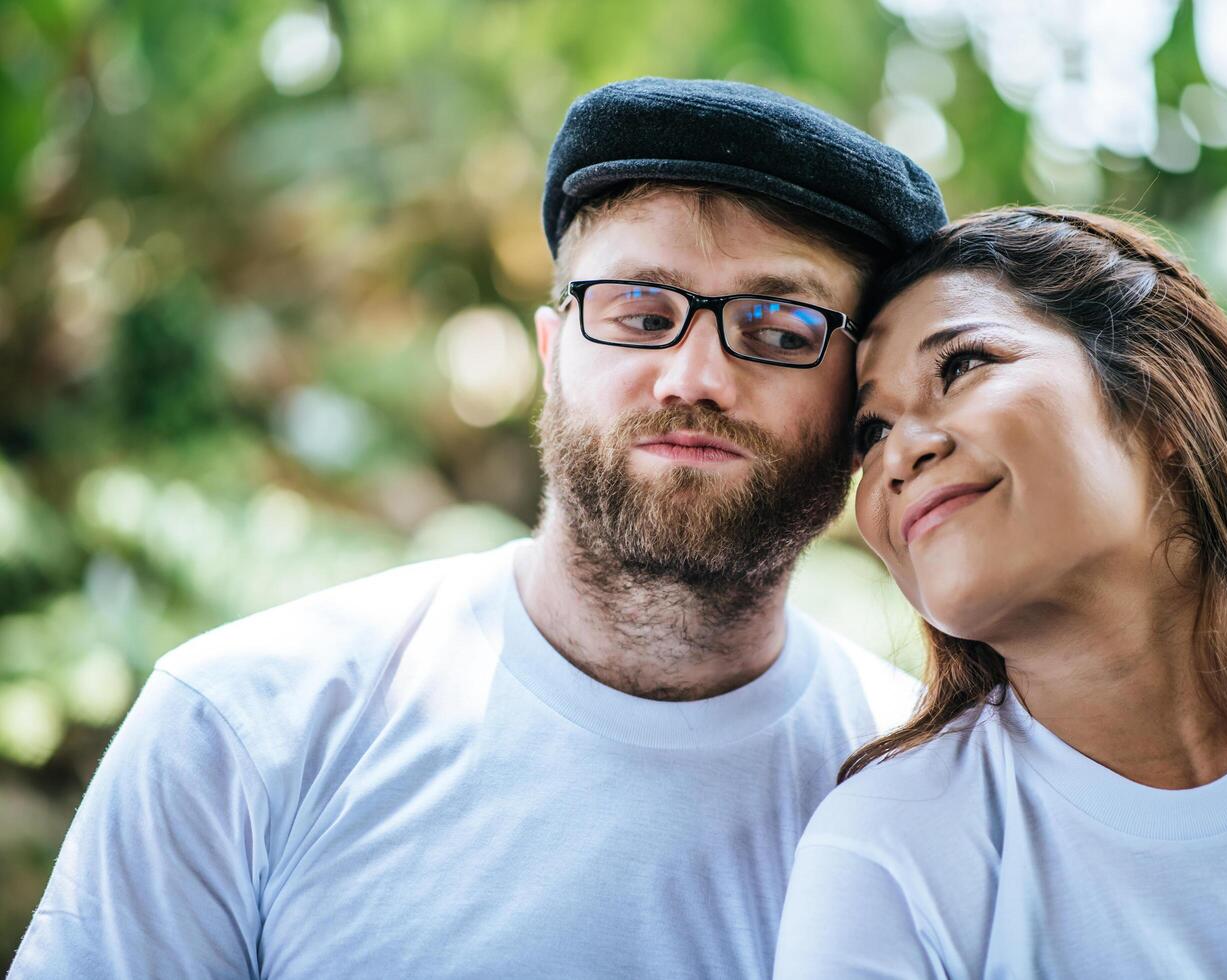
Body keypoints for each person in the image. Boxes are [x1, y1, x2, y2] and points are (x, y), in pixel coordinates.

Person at [12, 78, 942, 979]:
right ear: (552, 355)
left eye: (780, 328)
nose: (692, 377)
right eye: (641, 313)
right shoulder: (248, 725)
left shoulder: (933, 789)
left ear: (863, 399)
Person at [772, 206, 1227, 979]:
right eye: (869, 431)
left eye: (962, 365)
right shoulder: (885, 850)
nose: (899, 453)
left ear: (1163, 397)